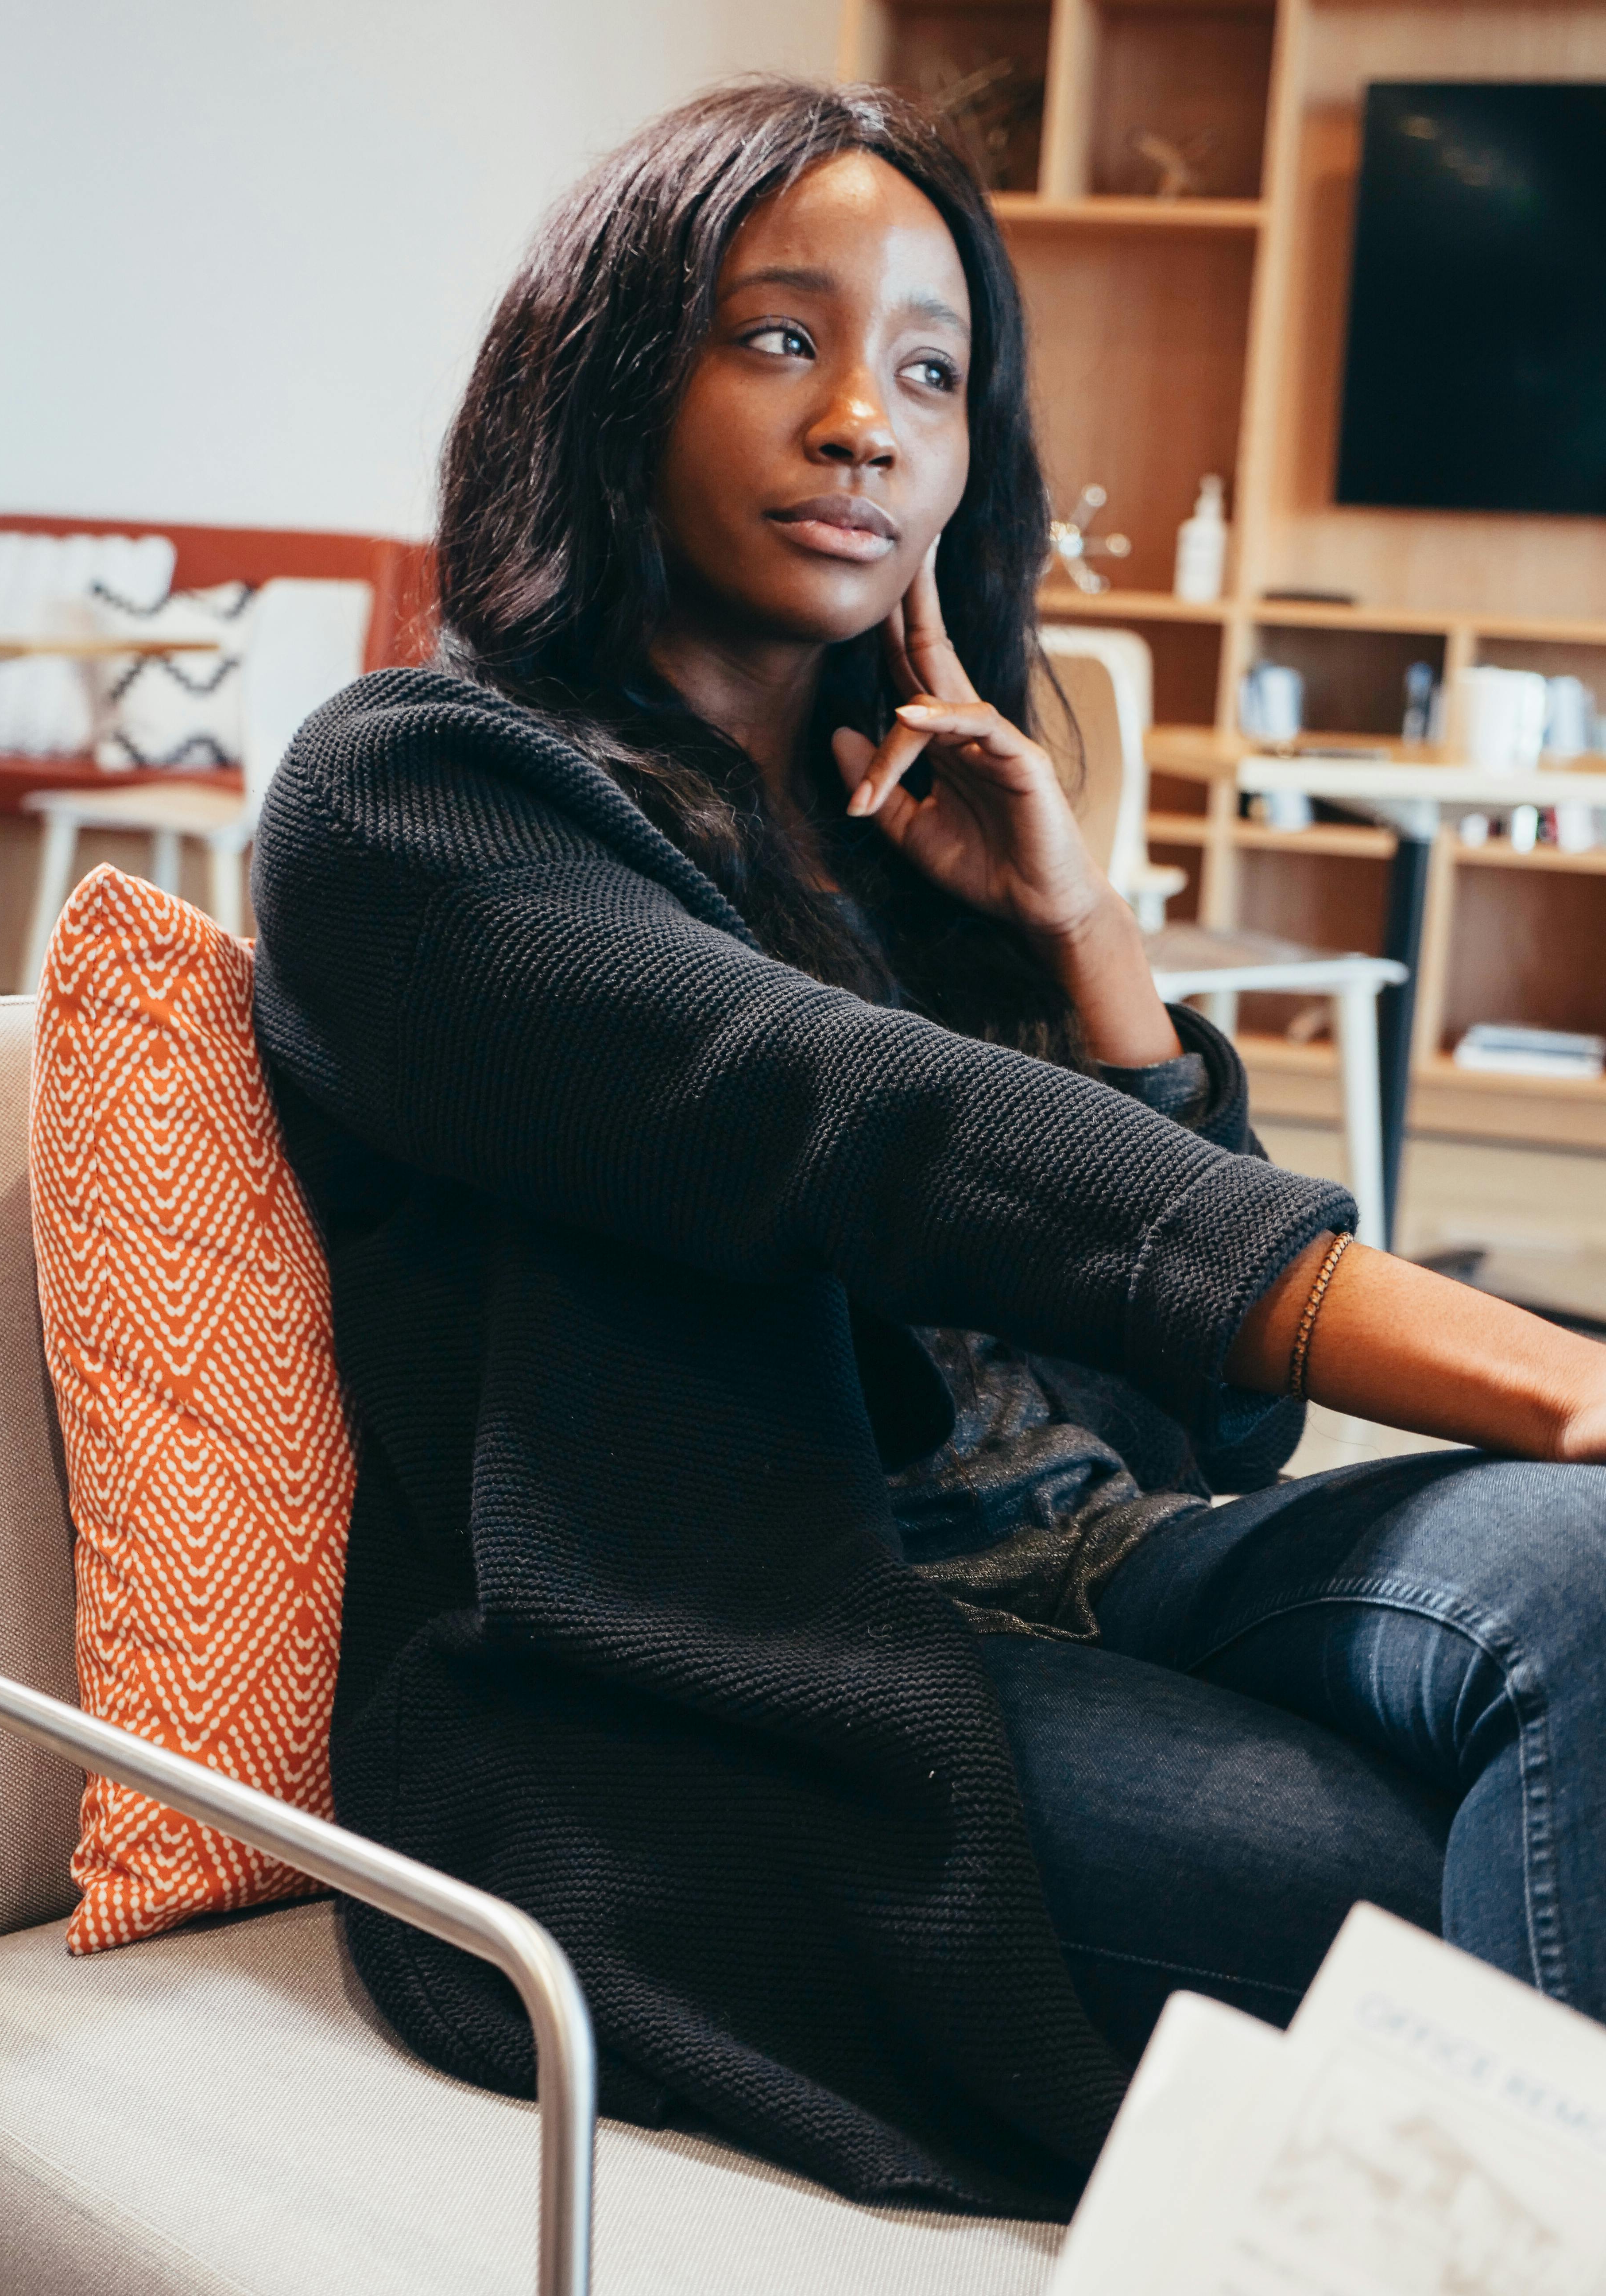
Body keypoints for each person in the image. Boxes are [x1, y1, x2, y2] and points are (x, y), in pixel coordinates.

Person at [251, 80, 1606, 2217]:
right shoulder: (416, 802)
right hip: (772, 1675)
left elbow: (1210, 1439)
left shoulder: (918, 848)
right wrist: (1550, 1364)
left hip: (1103, 1563)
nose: (866, 421)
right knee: (1381, 1883)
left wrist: (1085, 936)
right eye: (780, 337)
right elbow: (853, 1119)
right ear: (606, 376)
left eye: (930, 370)